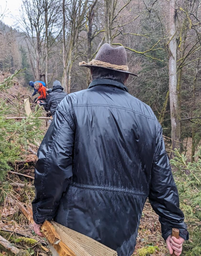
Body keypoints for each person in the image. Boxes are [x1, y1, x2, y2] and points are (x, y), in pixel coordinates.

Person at [31, 43, 188, 256]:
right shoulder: (147, 116)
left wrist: (41, 213)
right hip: (123, 231)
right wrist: (172, 226)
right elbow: (162, 178)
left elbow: (53, 164)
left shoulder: (72, 104)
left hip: (73, 226)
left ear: (93, 73)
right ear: (125, 77)